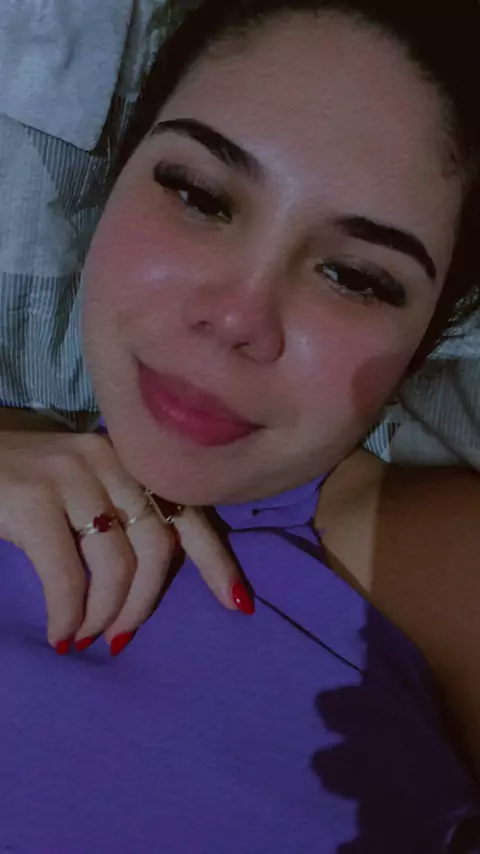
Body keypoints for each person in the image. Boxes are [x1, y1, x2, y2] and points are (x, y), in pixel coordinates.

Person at [1, 0, 480, 850]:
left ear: (427, 337)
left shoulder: (436, 566)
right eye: (198, 195)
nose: (235, 318)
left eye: (357, 277)